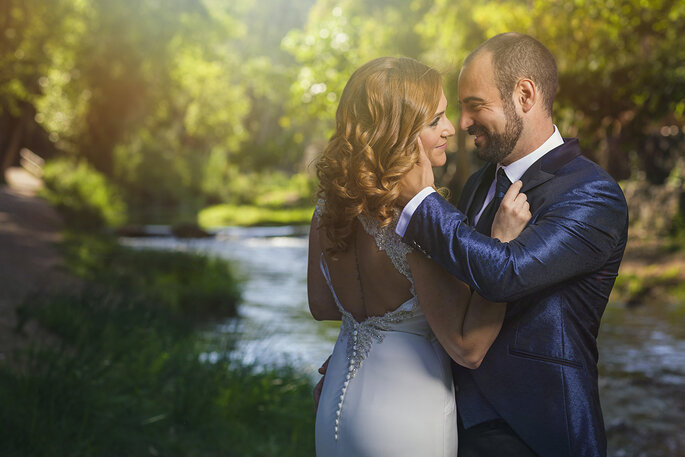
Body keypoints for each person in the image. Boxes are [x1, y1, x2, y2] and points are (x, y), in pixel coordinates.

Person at [397, 33, 629, 457]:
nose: (462, 122)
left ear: (524, 94)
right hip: (450, 422)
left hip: (535, 432)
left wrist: (420, 204)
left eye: (475, 105)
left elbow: (507, 274)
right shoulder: (477, 184)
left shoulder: (592, 194)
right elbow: (455, 291)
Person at [308, 56, 531, 457]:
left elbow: (322, 305)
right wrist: (502, 247)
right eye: (435, 120)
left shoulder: (329, 208)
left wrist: (366, 329)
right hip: (404, 416)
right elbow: (468, 347)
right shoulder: (414, 226)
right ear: (397, 133)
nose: (450, 128)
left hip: (338, 407)